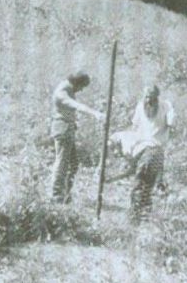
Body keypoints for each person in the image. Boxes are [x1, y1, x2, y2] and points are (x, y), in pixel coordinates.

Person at [106, 84, 175, 223]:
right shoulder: (139, 108)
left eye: (152, 98)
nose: (149, 101)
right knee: (145, 186)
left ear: (157, 98)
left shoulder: (166, 106)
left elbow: (171, 125)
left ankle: (136, 219)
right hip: (147, 150)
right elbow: (135, 126)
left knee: (141, 186)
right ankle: (144, 218)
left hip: (154, 149)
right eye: (146, 97)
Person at [49, 72, 104, 203]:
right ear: (76, 83)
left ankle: (66, 193)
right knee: (62, 163)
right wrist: (95, 113)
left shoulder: (68, 89)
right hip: (63, 130)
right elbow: (77, 106)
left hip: (68, 130)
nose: (81, 90)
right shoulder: (62, 93)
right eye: (81, 87)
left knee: (73, 164)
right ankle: (56, 194)